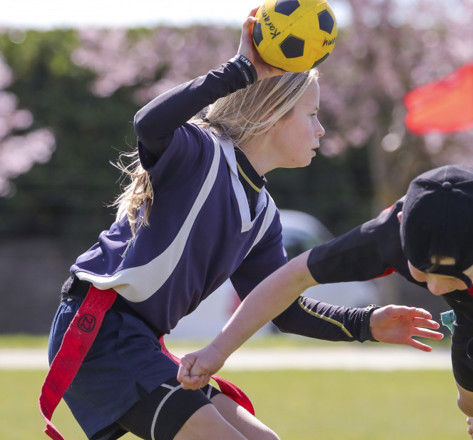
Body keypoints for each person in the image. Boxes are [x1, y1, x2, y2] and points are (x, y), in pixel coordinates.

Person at [40, 11, 443, 440]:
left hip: (138, 340)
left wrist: (367, 323)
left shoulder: (265, 214)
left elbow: (282, 308)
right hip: (100, 331)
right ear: (273, 114)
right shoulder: (201, 152)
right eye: (312, 115)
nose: (322, 130)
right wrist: (239, 71)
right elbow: (148, 123)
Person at [178, 164, 473, 440]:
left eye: (446, 277)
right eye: (420, 273)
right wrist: (217, 351)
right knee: (470, 403)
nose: (432, 289)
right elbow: (291, 277)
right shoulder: (390, 235)